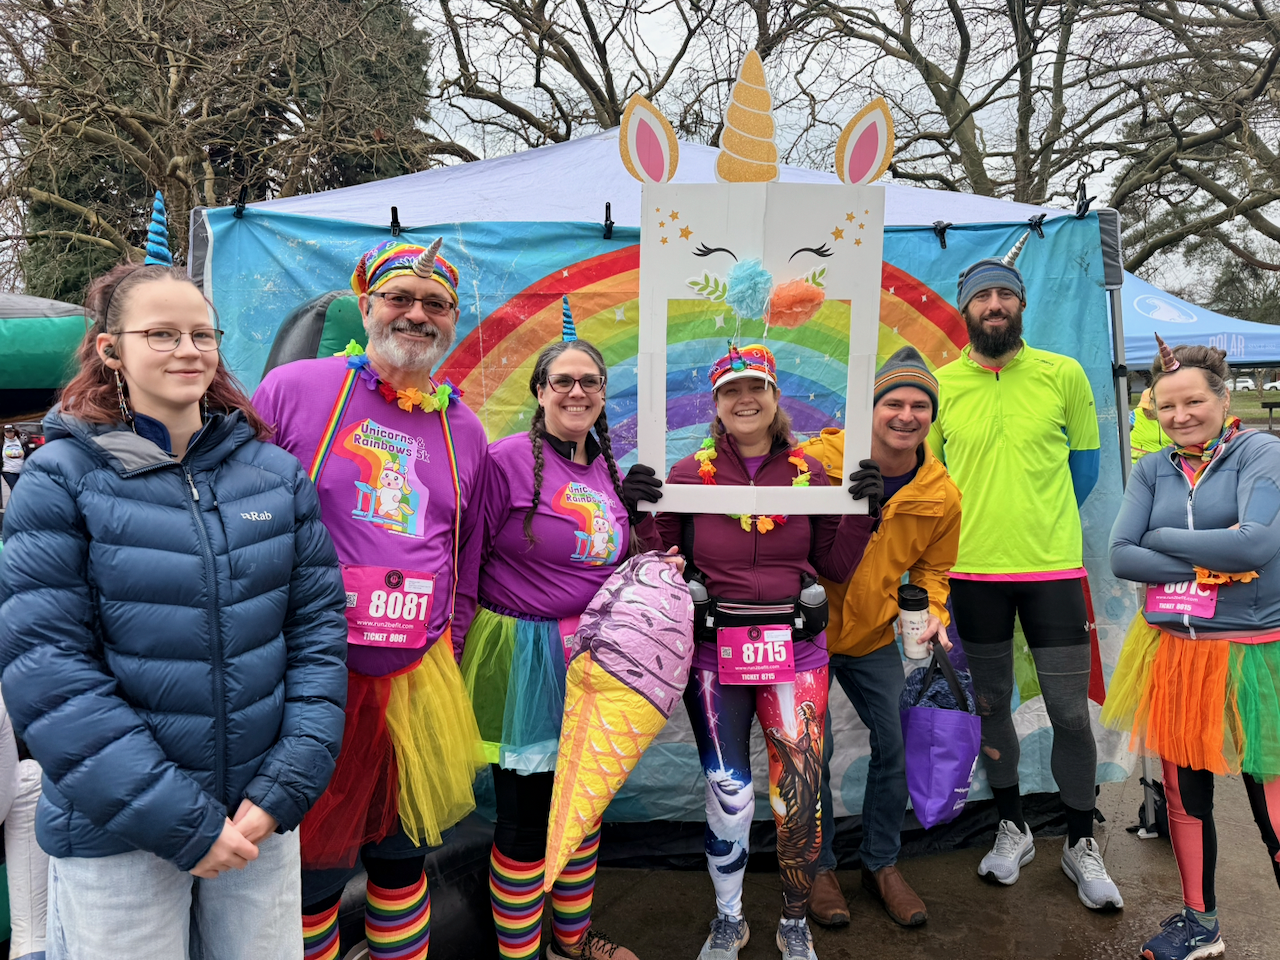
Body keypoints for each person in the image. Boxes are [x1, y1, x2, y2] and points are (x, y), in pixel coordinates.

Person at [0, 245, 349, 959]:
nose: (188, 350)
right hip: (115, 827)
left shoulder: (275, 476)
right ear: (111, 351)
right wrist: (181, 821)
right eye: (161, 334)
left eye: (201, 334)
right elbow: (48, 673)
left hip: (255, 820)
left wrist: (285, 786)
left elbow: (317, 637)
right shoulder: (59, 479)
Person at [253, 237, 488, 960]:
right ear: (366, 307)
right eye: (399, 298)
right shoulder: (295, 389)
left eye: (436, 304)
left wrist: (449, 642)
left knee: (402, 864)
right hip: (312, 676)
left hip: (419, 682)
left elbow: (466, 555)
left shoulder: (464, 427)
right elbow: (243, 518)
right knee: (313, 875)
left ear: (453, 321)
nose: (416, 314)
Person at [651, 343, 878, 960]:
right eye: (731, 390)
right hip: (713, 655)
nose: (745, 399)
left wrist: (864, 511)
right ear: (716, 403)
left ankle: (795, 920)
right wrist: (640, 505)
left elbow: (834, 565)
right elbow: (659, 560)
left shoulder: (810, 473)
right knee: (728, 794)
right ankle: (730, 918)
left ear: (776, 397)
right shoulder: (687, 475)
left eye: (757, 387)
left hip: (796, 652)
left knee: (797, 796)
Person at [461, 308, 665, 960]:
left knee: (583, 811)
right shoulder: (505, 462)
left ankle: (570, 946)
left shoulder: (609, 469)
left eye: (590, 381)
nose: (577, 392)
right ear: (541, 391)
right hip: (523, 659)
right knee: (526, 824)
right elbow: (465, 560)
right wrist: (454, 648)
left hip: (592, 662)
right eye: (563, 381)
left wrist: (647, 530)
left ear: (604, 394)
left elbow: (626, 564)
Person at [927, 235, 1123, 910]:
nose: (995, 304)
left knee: (1069, 711)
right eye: (982, 296)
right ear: (965, 310)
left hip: (1052, 572)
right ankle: (1012, 827)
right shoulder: (939, 385)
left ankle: (1080, 841)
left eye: (1005, 295)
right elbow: (933, 483)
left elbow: (1085, 471)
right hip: (970, 575)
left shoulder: (1063, 374)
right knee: (991, 706)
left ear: (1021, 306)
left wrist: (1037, 524)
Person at [1106, 337, 1280, 960]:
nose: (1180, 416)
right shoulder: (1152, 468)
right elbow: (1121, 556)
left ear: (1223, 399)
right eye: (1167, 406)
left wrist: (1160, 536)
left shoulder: (1261, 451)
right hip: (1176, 649)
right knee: (1185, 796)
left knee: (1271, 796)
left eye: (1194, 402)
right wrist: (1214, 553)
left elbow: (1254, 545)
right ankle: (1200, 923)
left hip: (1252, 651)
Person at [798, 346, 961, 929]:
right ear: (870, 409)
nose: (906, 415)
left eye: (920, 405)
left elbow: (934, 570)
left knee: (900, 743)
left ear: (932, 415)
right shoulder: (816, 461)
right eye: (893, 402)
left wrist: (934, 610)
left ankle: (881, 863)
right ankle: (818, 869)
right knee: (808, 753)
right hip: (806, 635)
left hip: (871, 638)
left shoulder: (940, 492)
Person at [1130, 387, 1170, 463]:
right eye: (1144, 408)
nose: (1146, 412)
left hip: (1167, 461)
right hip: (1138, 462)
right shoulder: (1134, 415)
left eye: (1150, 409)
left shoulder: (1171, 416)